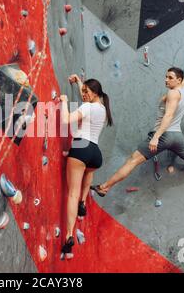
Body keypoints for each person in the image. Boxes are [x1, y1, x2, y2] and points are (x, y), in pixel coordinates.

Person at [90, 51, 184, 198]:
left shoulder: (172, 93)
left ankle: (104, 187)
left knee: (133, 160)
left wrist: (156, 137)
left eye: (170, 77)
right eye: (165, 76)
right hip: (177, 137)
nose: (166, 79)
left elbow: (169, 115)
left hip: (164, 134)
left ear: (178, 80)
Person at [60, 75, 113, 257]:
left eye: (86, 92)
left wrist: (64, 101)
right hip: (95, 155)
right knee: (88, 173)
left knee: (71, 193)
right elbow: (90, 97)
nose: (83, 95)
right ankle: (83, 202)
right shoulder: (103, 109)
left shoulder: (87, 106)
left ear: (95, 93)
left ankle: (68, 235)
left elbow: (67, 119)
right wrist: (79, 83)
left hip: (81, 149)